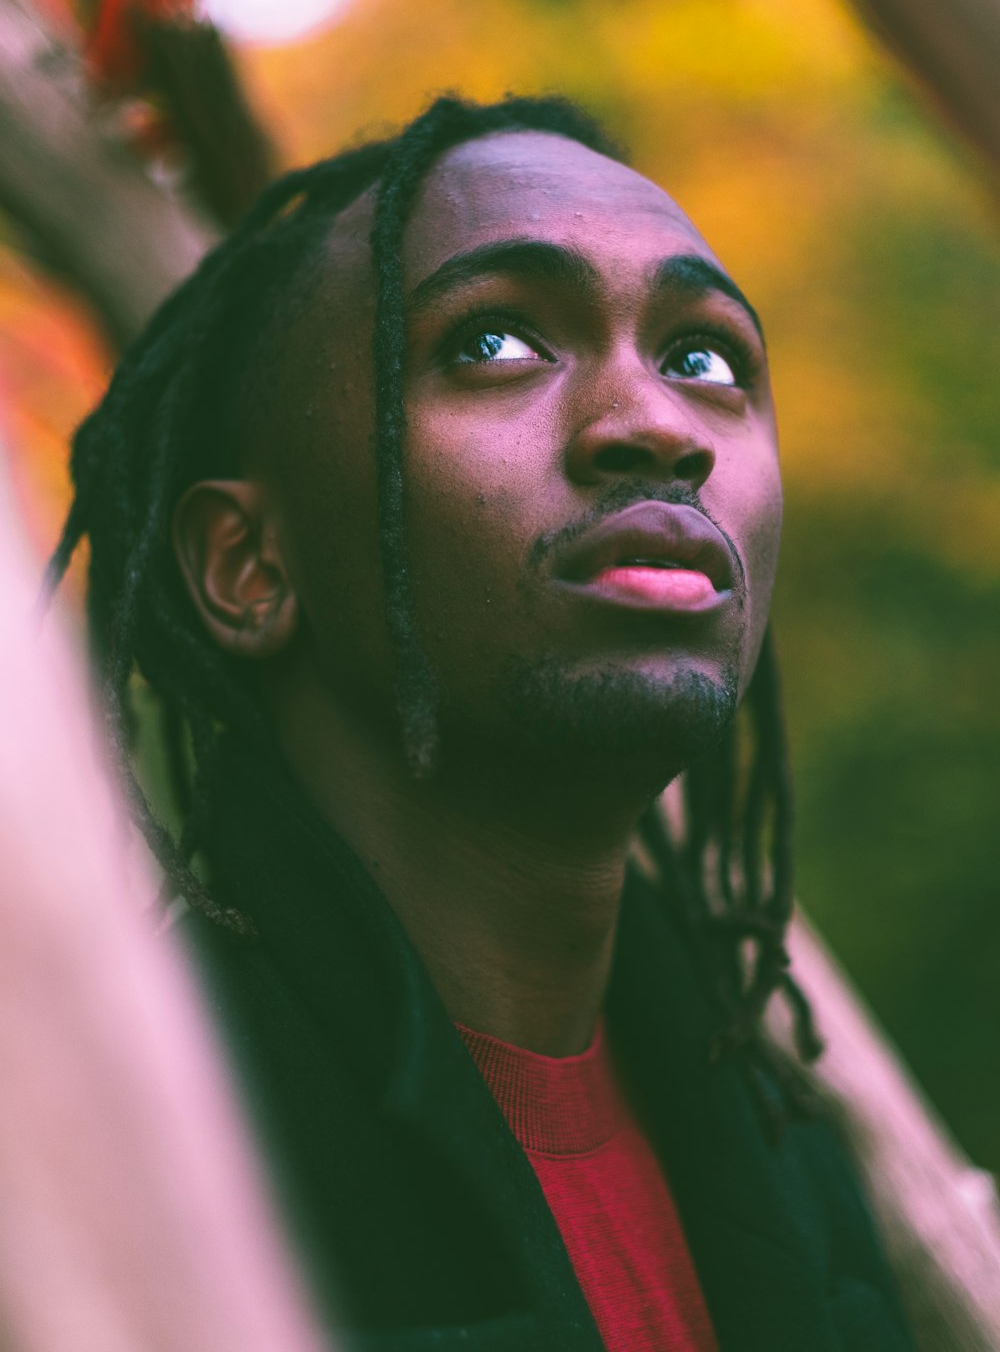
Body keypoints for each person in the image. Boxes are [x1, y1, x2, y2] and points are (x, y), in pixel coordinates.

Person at [49, 94, 918, 1351]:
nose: (657, 427)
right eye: (498, 341)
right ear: (247, 566)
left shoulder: (789, 1155)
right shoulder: (119, 1172)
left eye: (704, 357)